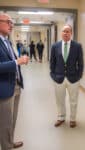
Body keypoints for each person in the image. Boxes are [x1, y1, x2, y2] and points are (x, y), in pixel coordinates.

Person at [0, 13, 29, 150]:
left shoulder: (7, 41)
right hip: (4, 89)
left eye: (12, 22)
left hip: (16, 85)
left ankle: (10, 142)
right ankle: (6, 147)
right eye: (8, 22)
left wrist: (19, 60)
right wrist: (17, 61)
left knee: (12, 120)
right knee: (5, 122)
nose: (11, 25)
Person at [50, 24, 84, 128]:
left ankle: (73, 119)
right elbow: (52, 62)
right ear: (61, 33)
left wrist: (78, 76)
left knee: (73, 100)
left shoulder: (77, 46)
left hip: (73, 78)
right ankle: (61, 117)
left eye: (68, 31)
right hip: (58, 78)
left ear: (71, 33)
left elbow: (81, 63)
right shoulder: (55, 46)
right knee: (60, 99)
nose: (65, 33)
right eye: (64, 31)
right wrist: (53, 75)